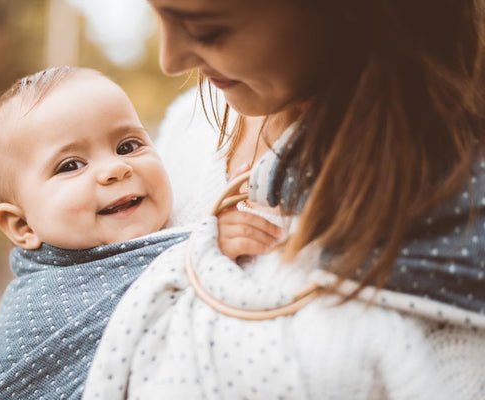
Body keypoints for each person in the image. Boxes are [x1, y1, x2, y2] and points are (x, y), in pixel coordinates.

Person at [82, 0, 485, 399]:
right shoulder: (184, 130)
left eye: (208, 29)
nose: (170, 60)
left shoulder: (452, 219)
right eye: (159, 16)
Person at [0, 66, 191, 399]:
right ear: (23, 226)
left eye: (128, 146)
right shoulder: (41, 310)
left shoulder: (171, 243)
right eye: (71, 165)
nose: (116, 168)